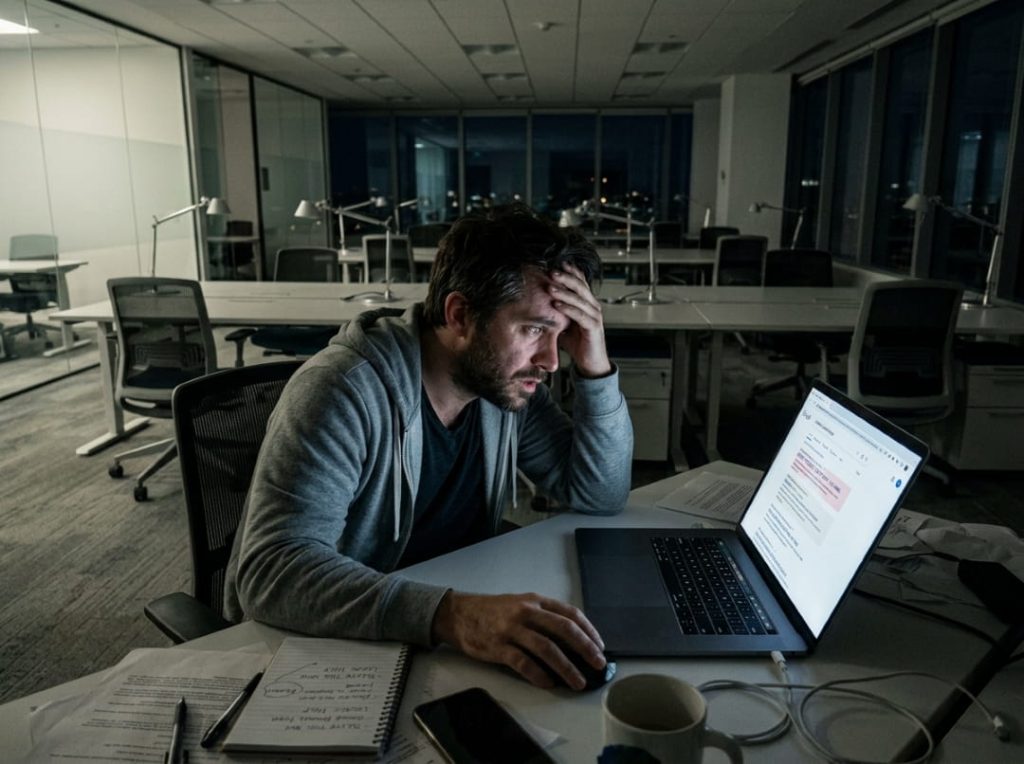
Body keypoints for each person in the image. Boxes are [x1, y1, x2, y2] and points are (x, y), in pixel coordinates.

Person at [225, 203, 632, 690]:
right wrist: (455, 617)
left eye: (562, 335)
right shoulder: (340, 391)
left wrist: (597, 365)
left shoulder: (503, 386)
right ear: (460, 315)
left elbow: (599, 494)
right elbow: (273, 572)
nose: (550, 361)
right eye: (533, 329)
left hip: (434, 630)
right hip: (329, 649)